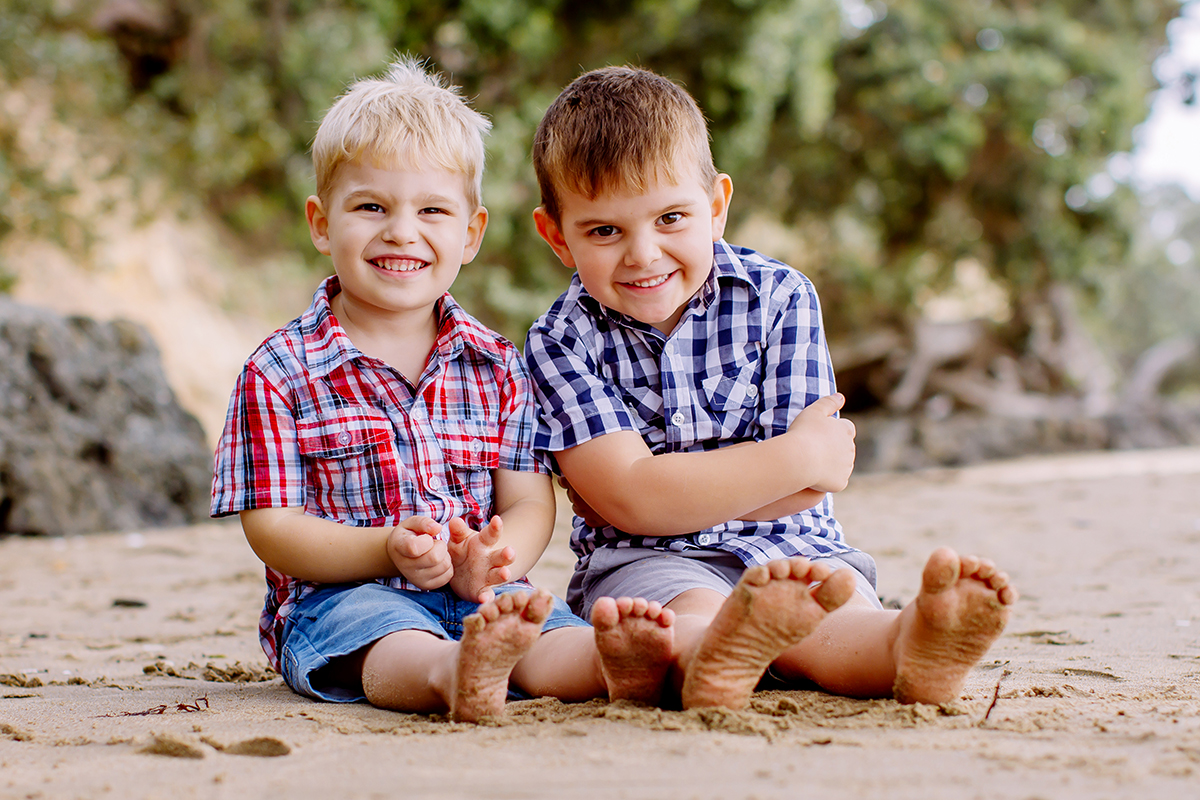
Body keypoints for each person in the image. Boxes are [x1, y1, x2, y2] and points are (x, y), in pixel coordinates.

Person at [524, 66, 1017, 711]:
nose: (643, 254)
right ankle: (720, 659)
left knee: (831, 623)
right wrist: (789, 456)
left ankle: (911, 645)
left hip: (797, 544)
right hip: (650, 562)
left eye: (671, 217)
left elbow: (809, 488)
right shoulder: (559, 342)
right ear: (558, 235)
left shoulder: (780, 297)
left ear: (718, 205)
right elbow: (634, 503)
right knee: (689, 617)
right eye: (604, 231)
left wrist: (676, 488)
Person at [210, 58, 676, 722]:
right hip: (340, 600)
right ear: (321, 223)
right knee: (391, 639)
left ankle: (614, 666)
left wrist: (493, 556)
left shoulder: (497, 366)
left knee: (546, 634)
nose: (402, 230)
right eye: (371, 206)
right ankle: (451, 673)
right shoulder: (280, 370)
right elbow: (272, 526)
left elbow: (528, 503)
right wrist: (383, 548)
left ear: (471, 233)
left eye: (432, 209)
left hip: (479, 596)